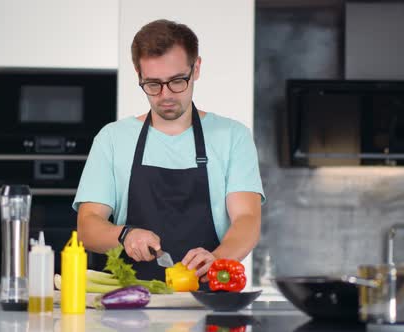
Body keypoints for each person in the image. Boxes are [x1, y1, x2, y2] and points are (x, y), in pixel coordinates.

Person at [73, 19, 265, 283]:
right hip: (130, 306)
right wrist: (124, 235)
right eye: (152, 84)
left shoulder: (233, 136)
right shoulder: (113, 139)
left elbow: (247, 219)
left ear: (195, 68)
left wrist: (219, 258)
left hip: (209, 300)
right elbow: (88, 225)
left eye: (177, 81)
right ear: (138, 75)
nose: (165, 95)